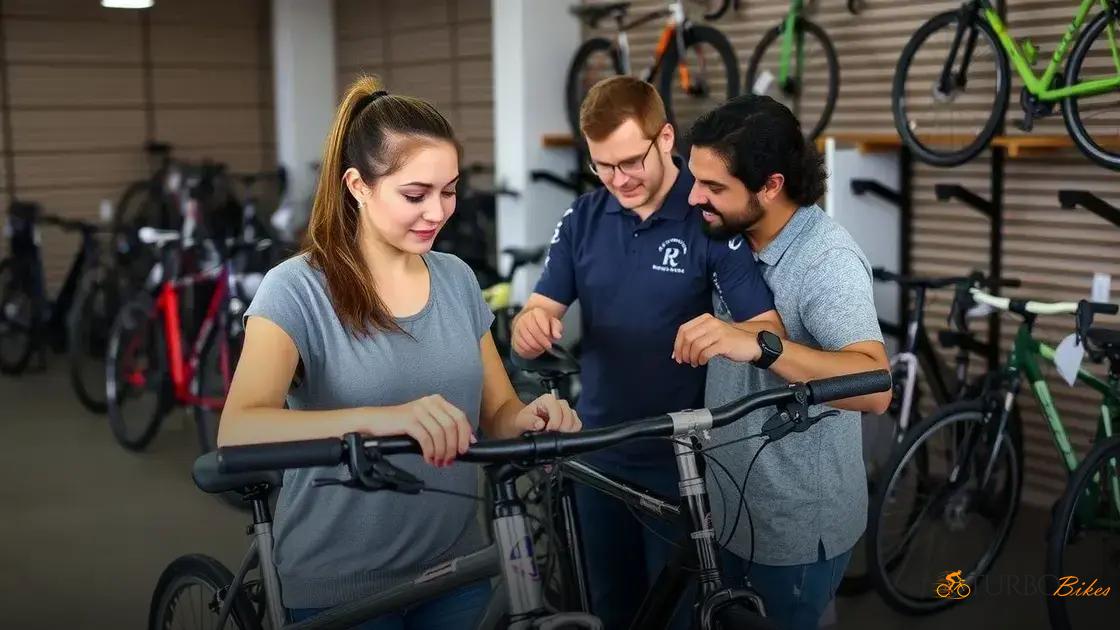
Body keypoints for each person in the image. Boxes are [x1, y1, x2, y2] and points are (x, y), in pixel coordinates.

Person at [217, 76, 582, 630]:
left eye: (450, 191)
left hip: (457, 569)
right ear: (358, 186)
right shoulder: (295, 289)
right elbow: (238, 429)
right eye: (415, 195)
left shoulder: (457, 279)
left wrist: (531, 418)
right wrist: (389, 421)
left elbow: (498, 414)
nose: (437, 212)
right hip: (341, 583)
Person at [511, 76, 782, 628]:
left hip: (681, 460)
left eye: (631, 161)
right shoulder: (583, 217)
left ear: (665, 138)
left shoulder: (707, 212)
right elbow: (534, 313)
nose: (619, 180)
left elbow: (765, 329)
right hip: (597, 451)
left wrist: (726, 334)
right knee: (608, 608)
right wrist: (531, 325)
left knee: (677, 613)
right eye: (603, 166)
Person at [671, 94, 892, 630]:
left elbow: (875, 386)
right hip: (732, 509)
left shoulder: (826, 261)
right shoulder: (733, 235)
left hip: (792, 528)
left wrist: (763, 345)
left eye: (714, 187)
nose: (695, 196)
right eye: (695, 179)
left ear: (770, 185)